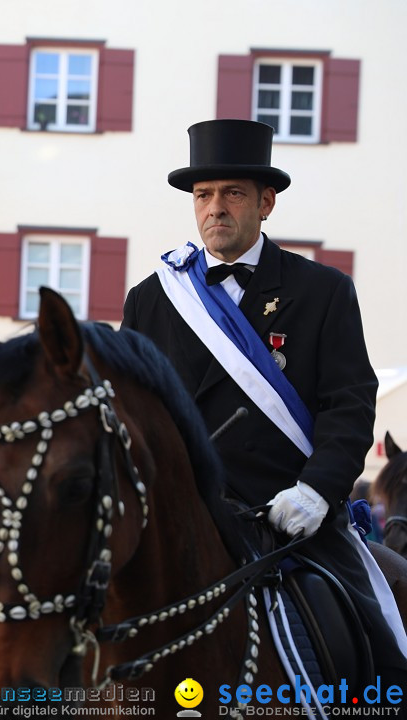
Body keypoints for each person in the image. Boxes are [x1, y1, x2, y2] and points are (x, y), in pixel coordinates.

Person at [121, 118, 407, 680]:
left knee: (378, 643)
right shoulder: (153, 299)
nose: (215, 208)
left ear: (266, 203)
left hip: (290, 516)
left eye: (232, 194)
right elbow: (132, 414)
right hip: (185, 515)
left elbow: (349, 404)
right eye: (203, 195)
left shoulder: (321, 290)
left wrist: (316, 492)